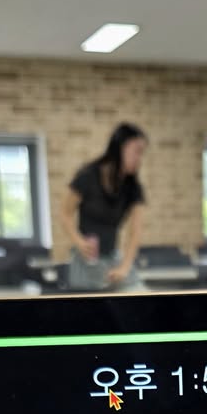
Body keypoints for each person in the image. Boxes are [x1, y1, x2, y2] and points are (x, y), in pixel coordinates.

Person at [61, 122, 147, 290]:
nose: (139, 158)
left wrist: (125, 267)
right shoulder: (88, 176)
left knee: (139, 293)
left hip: (112, 258)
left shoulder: (133, 187)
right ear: (120, 147)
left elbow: (135, 232)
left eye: (142, 153)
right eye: (136, 151)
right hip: (85, 262)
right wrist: (78, 241)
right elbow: (65, 213)